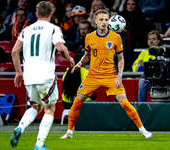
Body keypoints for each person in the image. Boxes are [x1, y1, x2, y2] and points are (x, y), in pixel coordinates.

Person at [60, 9, 152, 140]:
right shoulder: (89, 37)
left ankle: (143, 130)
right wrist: (80, 63)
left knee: (125, 103)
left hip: (111, 76)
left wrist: (120, 76)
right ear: (96, 21)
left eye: (106, 19)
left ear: (109, 21)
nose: (104, 22)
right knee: (76, 103)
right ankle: (69, 133)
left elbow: (121, 58)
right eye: (101, 19)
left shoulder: (116, 37)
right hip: (92, 76)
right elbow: (87, 56)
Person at [9, 1, 75, 150]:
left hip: (29, 76)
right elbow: (60, 47)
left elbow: (14, 51)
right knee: (49, 110)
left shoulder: (27, 30)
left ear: (37, 14)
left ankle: (20, 127)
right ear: (51, 14)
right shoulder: (53, 29)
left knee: (35, 106)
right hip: (45, 75)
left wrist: (19, 72)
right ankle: (39, 144)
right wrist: (69, 58)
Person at [120, 0, 151, 71]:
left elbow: (143, 33)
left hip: (137, 43)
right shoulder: (120, 16)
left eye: (133, 4)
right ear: (125, 5)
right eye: (128, 4)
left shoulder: (140, 17)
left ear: (136, 6)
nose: (130, 6)